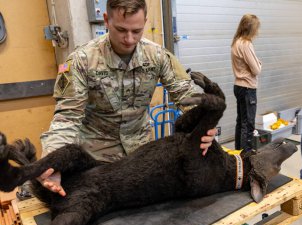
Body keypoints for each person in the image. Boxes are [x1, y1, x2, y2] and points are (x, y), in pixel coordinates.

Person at [37, 0, 217, 197]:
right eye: (121, 29)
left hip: (141, 157)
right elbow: (67, 117)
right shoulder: (82, 61)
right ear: (106, 20)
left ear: (145, 22)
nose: (130, 39)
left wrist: (203, 125)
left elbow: (187, 97)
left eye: (137, 31)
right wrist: (53, 158)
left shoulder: (158, 56)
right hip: (95, 160)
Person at [231, 14, 262, 150]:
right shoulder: (246, 44)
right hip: (248, 88)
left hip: (238, 86)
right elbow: (256, 70)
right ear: (250, 28)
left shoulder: (236, 41)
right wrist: (259, 64)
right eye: (256, 28)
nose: (258, 31)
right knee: (248, 125)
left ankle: (238, 154)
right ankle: (245, 159)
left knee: (241, 122)